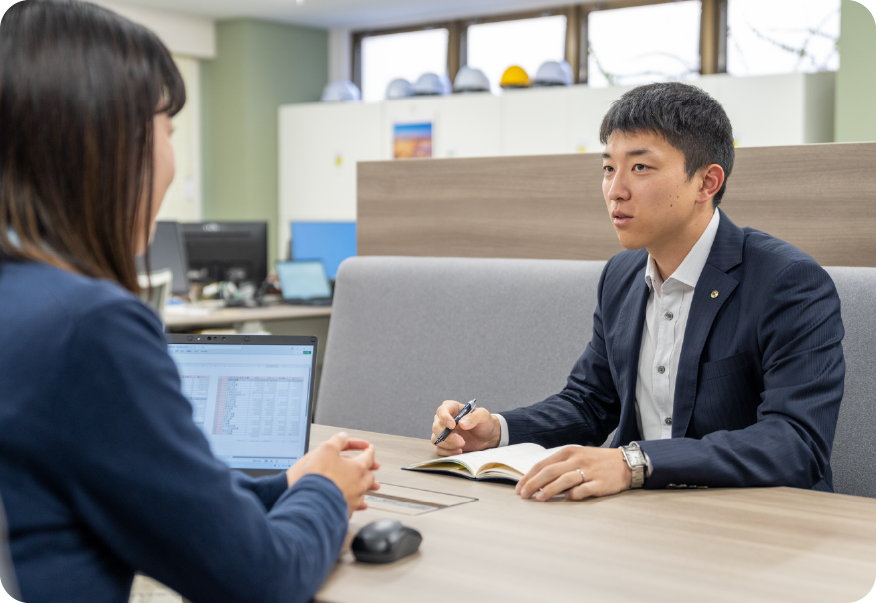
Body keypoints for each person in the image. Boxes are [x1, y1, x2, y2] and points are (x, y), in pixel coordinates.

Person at [0, 1, 379, 601]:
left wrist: (290, 483)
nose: (172, 158)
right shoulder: (85, 329)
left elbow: (162, 501)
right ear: (108, 141)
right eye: (167, 129)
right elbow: (260, 577)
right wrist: (326, 493)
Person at [431, 82, 845, 501]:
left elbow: (796, 442)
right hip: (643, 514)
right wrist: (496, 429)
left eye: (640, 168)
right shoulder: (621, 275)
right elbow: (590, 402)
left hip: (757, 520)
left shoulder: (788, 281)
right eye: (609, 168)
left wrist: (634, 462)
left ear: (707, 183)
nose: (616, 190)